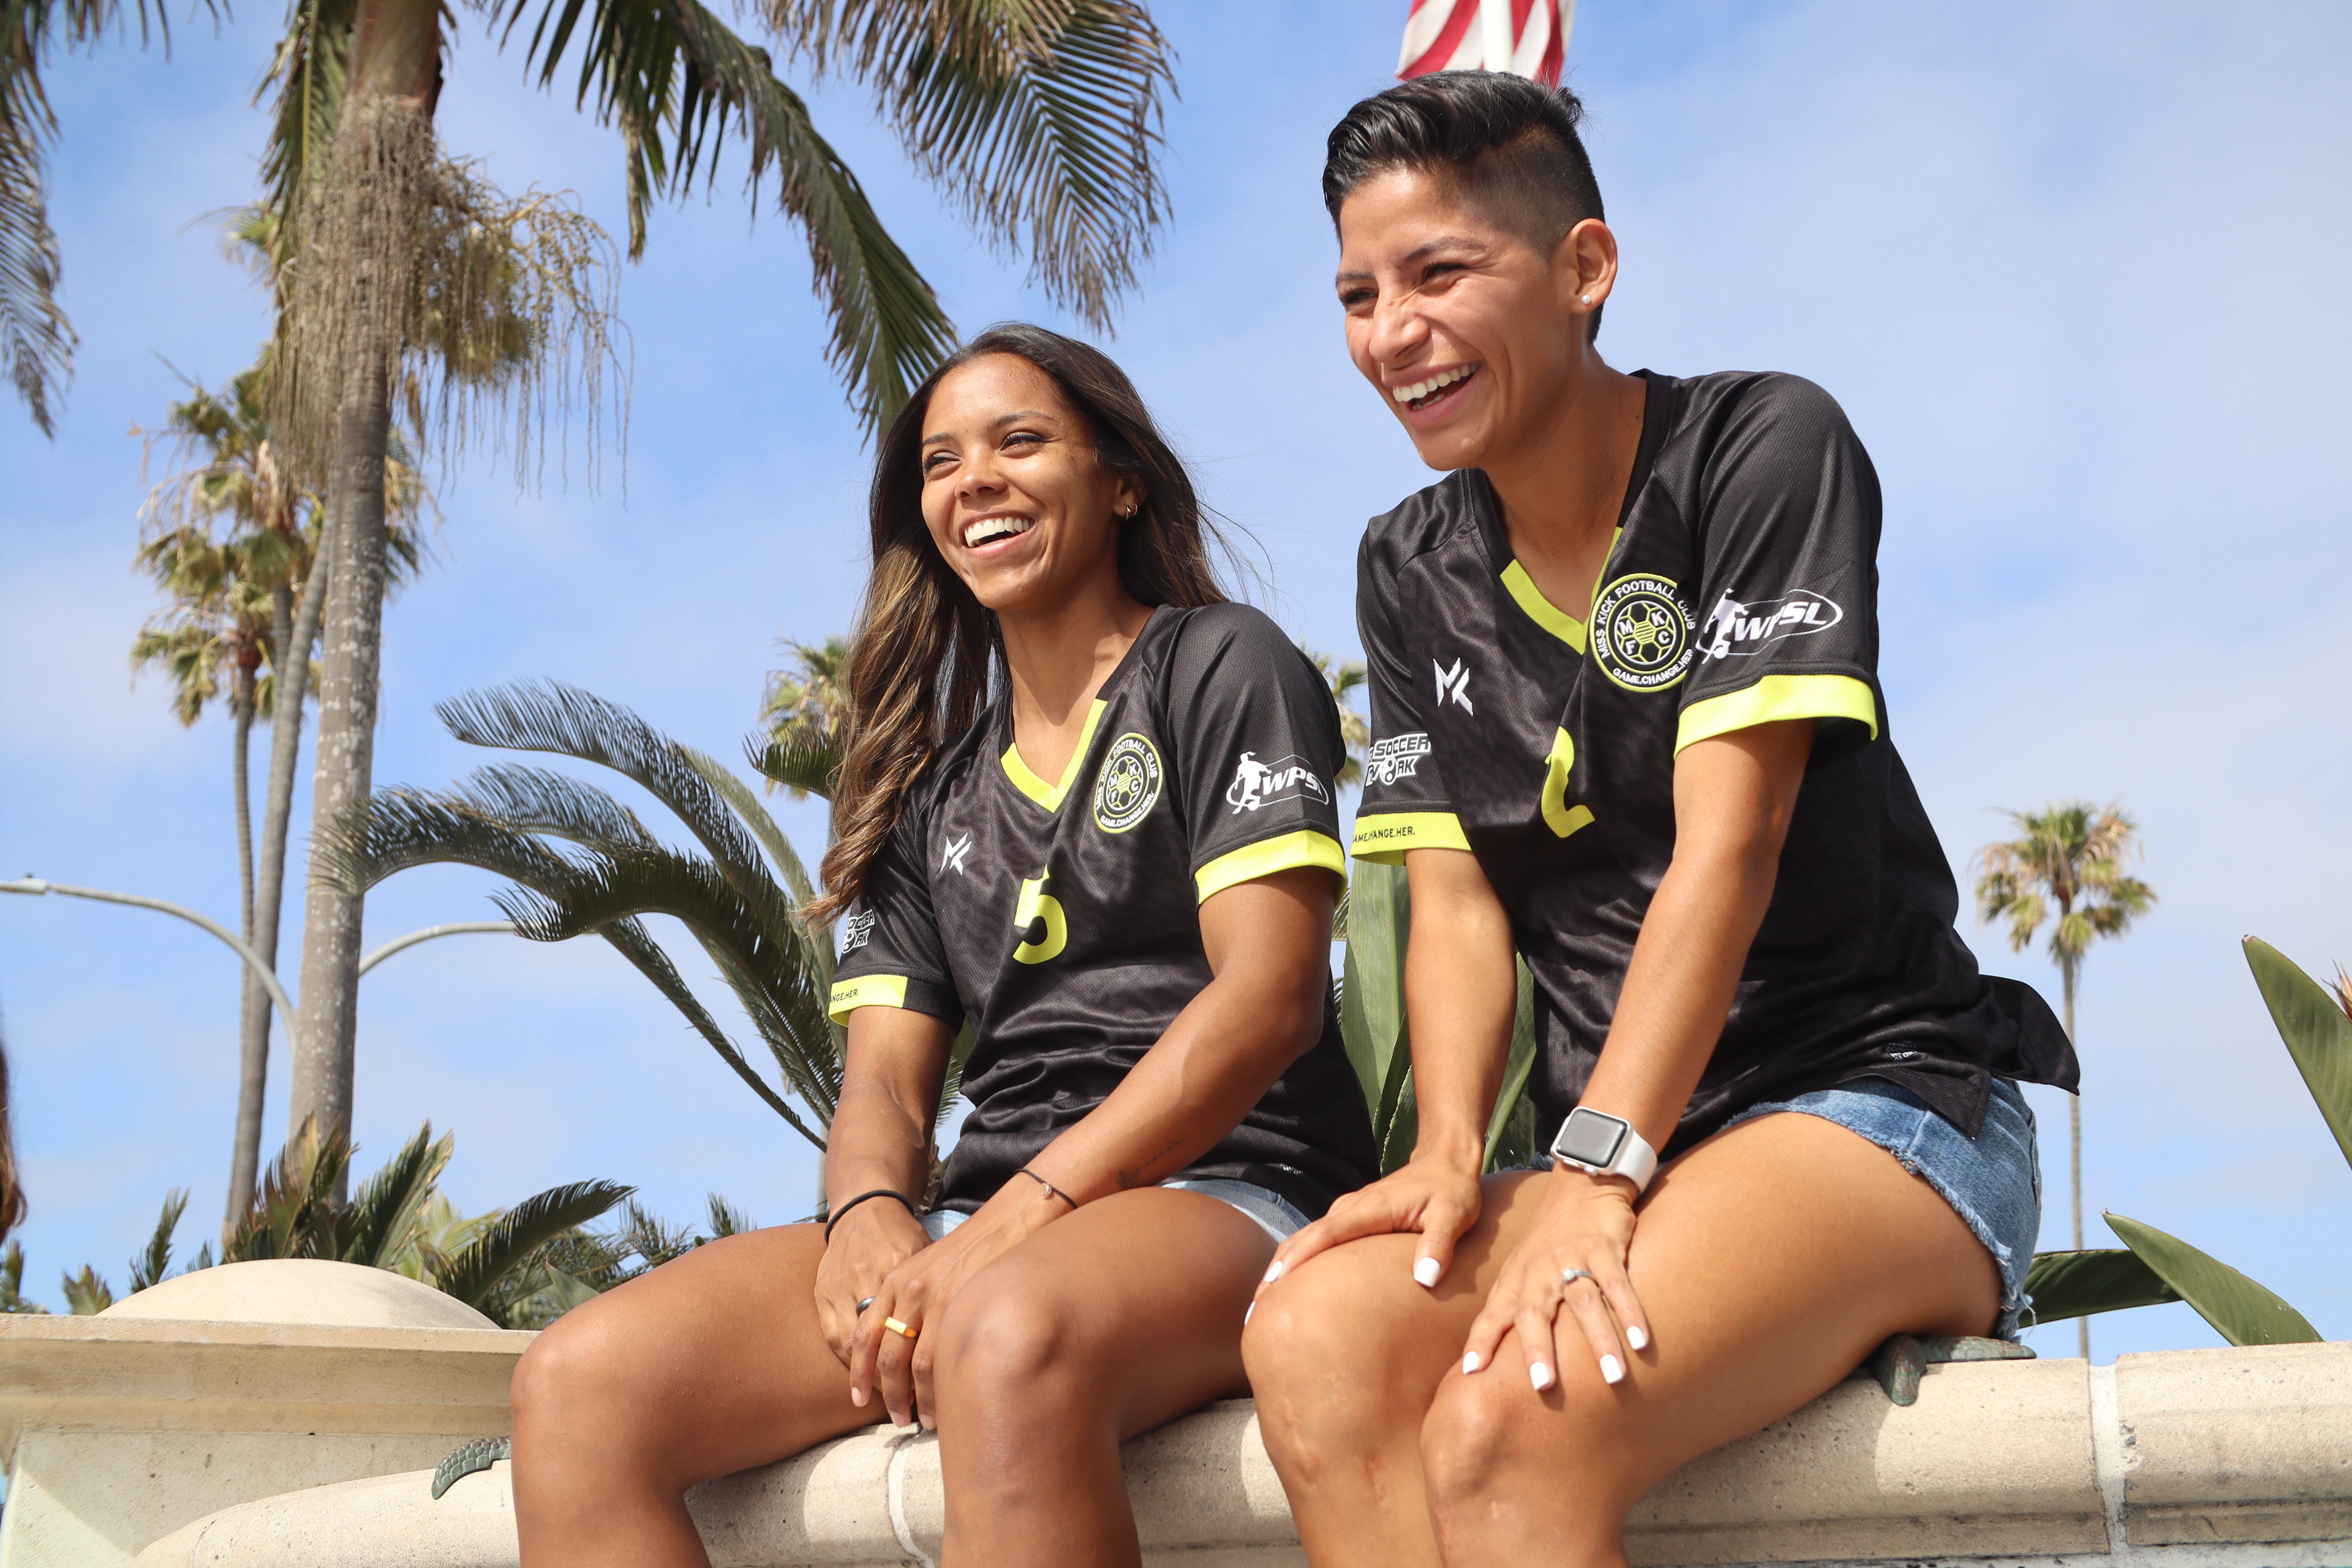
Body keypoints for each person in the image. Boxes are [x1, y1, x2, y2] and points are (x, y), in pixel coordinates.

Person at [1242, 74, 2075, 1568]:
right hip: (1632, 1148)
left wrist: (1594, 1169)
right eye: (1360, 295)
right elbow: (1455, 900)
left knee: (1513, 1423)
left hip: (1874, 1101)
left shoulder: (1762, 444)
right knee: (1314, 1335)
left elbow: (1727, 850)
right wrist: (1449, 1150)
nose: (1392, 332)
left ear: (1585, 268)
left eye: (1438, 274)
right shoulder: (1406, 562)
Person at [508, 323, 1377, 1568]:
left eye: (1020, 441)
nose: (976, 480)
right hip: (989, 1215)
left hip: (1235, 1190)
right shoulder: (930, 793)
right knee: (579, 1385)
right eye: (941, 461)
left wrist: (1021, 1218)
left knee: (1001, 1333)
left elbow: (1271, 993)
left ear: (1121, 481)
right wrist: (870, 1212)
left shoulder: (1220, 662)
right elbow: (883, 1084)